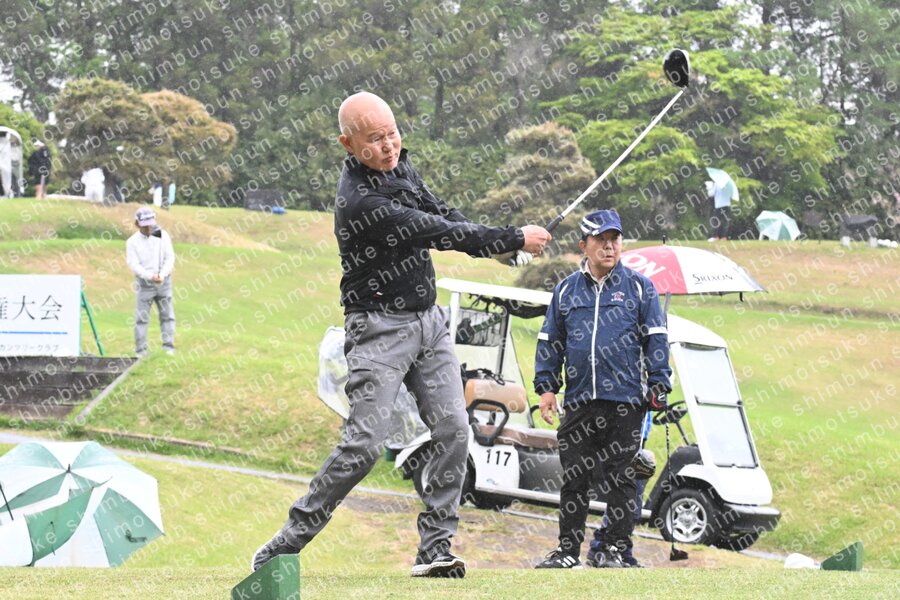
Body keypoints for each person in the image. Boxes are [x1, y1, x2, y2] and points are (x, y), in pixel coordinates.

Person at [251, 91, 551, 578]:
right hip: (378, 330)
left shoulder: (400, 166)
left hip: (429, 322)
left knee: (454, 430)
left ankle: (435, 550)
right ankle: (285, 544)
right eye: (376, 139)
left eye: (392, 133)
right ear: (349, 144)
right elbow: (431, 230)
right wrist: (513, 236)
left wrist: (498, 250)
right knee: (364, 445)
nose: (389, 145)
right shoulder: (360, 201)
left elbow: (442, 212)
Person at [533, 209, 671, 569]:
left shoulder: (640, 287)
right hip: (579, 401)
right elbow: (550, 341)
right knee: (574, 479)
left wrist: (660, 382)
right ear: (584, 245)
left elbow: (656, 337)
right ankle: (567, 552)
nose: (609, 247)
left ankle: (614, 550)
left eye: (615, 240)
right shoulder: (566, 289)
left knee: (624, 480)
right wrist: (547, 388)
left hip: (626, 401)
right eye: (601, 240)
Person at [588, 410, 653, 567]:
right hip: (625, 432)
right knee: (626, 497)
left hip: (638, 435)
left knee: (631, 498)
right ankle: (607, 547)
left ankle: (614, 549)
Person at [126, 207, 176, 357]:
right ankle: (140, 351)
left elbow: (169, 257)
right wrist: (150, 276)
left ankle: (168, 348)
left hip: (164, 281)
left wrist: (162, 274)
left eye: (150, 224)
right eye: (145, 225)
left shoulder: (162, 235)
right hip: (144, 284)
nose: (148, 228)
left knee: (167, 315)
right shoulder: (132, 242)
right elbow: (134, 265)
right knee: (141, 318)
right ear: (137, 224)